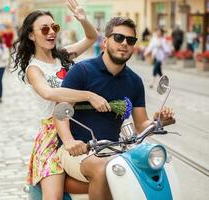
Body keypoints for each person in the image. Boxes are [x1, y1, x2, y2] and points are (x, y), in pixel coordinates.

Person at [53, 17, 175, 200]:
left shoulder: (134, 81)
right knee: (104, 169)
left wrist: (159, 121)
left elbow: (141, 123)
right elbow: (61, 112)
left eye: (130, 40)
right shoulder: (82, 71)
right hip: (78, 149)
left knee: (154, 167)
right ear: (105, 41)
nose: (124, 43)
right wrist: (70, 141)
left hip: (114, 148)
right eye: (118, 38)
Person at [12, 0, 110, 199]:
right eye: (44, 28)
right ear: (31, 35)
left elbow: (92, 37)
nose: (51, 32)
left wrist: (83, 19)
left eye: (54, 27)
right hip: (51, 136)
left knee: (107, 176)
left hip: (79, 127)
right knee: (54, 196)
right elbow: (48, 93)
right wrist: (88, 96)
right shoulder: (34, 68)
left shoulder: (63, 55)